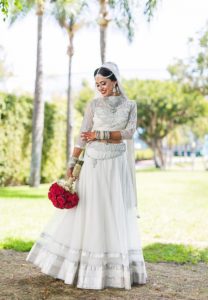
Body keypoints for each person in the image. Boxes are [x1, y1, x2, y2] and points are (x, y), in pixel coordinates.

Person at [26, 62, 147, 290]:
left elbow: (129, 133)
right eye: (97, 84)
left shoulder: (130, 105)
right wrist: (72, 162)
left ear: (114, 81)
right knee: (91, 210)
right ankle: (81, 268)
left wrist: (99, 134)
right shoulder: (93, 105)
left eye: (104, 83)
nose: (100, 87)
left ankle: (113, 271)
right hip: (92, 163)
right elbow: (83, 136)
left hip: (116, 165)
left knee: (112, 209)